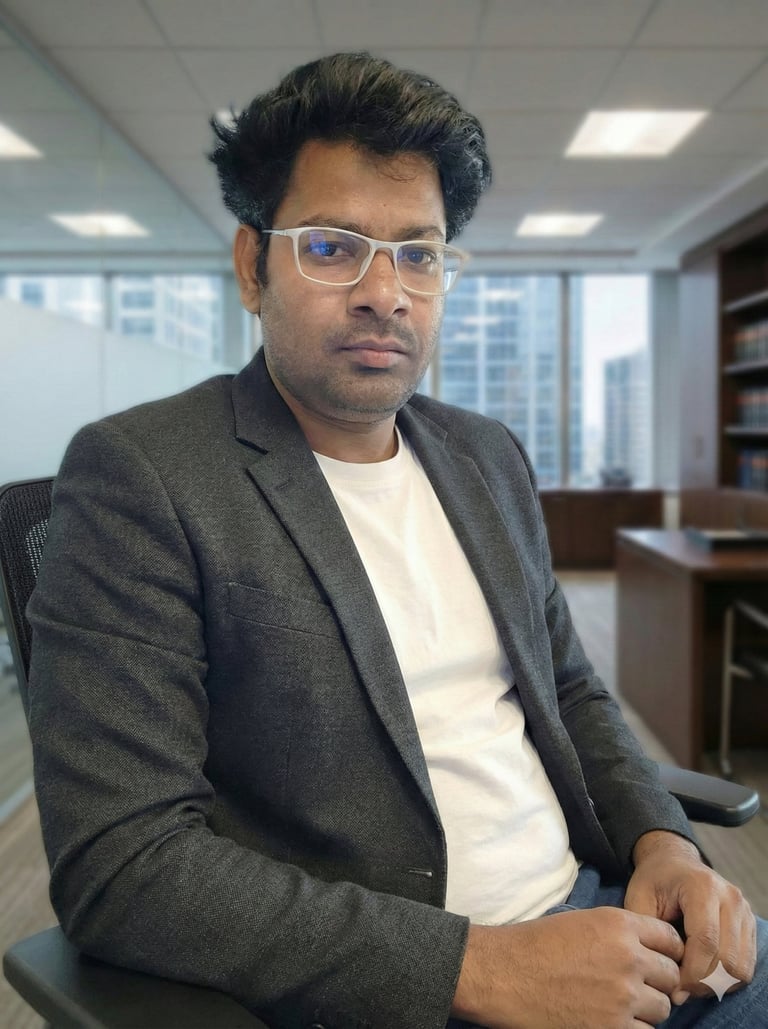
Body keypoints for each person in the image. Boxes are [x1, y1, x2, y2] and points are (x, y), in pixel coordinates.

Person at [27, 51, 764, 1029]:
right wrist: (480, 969)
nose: (387, 292)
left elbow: (572, 692)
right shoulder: (144, 476)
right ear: (252, 266)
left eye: (419, 253)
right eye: (333, 247)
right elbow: (121, 861)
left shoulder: (486, 456)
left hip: (603, 919)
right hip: (391, 987)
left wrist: (662, 843)